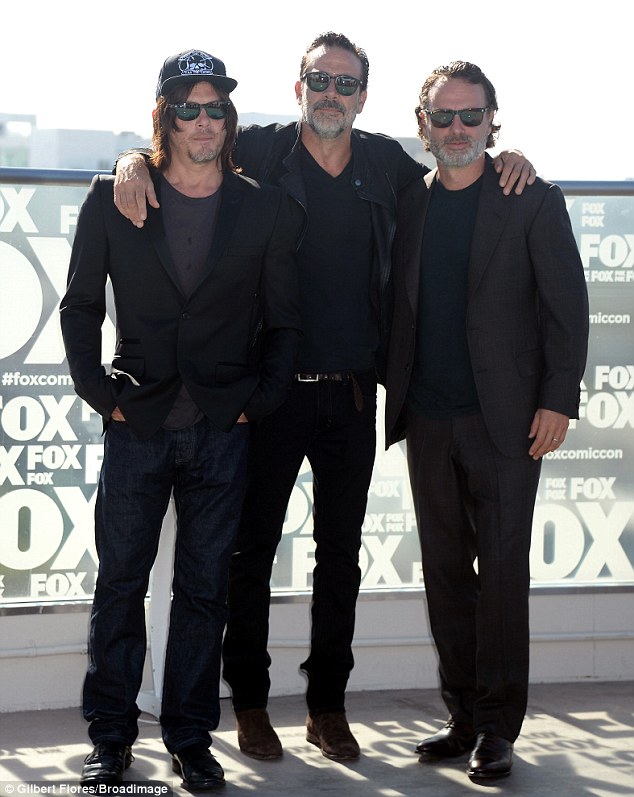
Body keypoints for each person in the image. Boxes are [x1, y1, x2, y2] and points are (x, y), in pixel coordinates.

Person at [112, 33, 535, 762]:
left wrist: (511, 159)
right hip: (267, 393)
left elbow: (459, 167)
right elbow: (180, 147)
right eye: (319, 79)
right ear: (299, 84)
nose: (331, 94)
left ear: (364, 97)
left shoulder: (385, 166)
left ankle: (327, 706)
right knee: (251, 552)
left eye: (346, 83)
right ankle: (247, 701)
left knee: (339, 556)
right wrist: (126, 162)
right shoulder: (261, 149)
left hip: (352, 394)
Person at [60, 49, 301, 790]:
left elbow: (285, 323)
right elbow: (79, 307)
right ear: (162, 116)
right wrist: (105, 396)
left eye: (216, 108)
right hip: (139, 422)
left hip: (222, 431)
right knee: (121, 582)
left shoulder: (264, 207)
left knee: (204, 590)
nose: (204, 120)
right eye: (187, 108)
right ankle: (111, 736)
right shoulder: (115, 196)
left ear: (230, 120)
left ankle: (191, 737)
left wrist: (253, 403)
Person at [384, 61, 589, 781]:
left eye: (472, 117)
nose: (458, 129)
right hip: (428, 417)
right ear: (424, 126)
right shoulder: (410, 201)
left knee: (501, 573)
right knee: (445, 572)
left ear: (494, 123)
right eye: (444, 118)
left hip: (506, 422)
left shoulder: (530, 199)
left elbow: (567, 308)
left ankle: (500, 727)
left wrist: (558, 399)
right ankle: (463, 714)